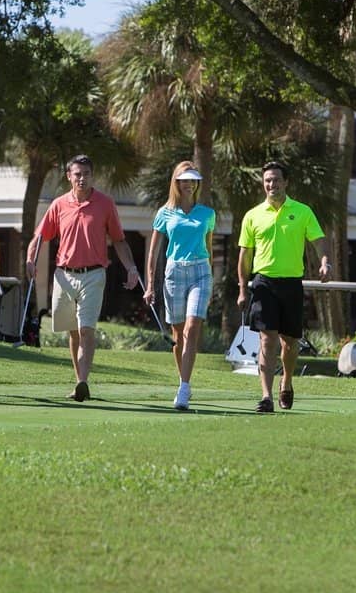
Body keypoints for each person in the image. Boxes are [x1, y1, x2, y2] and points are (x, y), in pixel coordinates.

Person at [26, 155, 140, 401]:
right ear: (69, 176)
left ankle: (82, 381)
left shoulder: (105, 204)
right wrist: (30, 259)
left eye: (86, 174)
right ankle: (79, 383)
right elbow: (40, 236)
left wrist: (131, 267)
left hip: (94, 274)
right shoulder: (58, 204)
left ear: (92, 176)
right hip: (64, 276)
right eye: (77, 174)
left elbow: (119, 240)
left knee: (86, 330)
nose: (81, 178)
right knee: (72, 332)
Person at [237, 161, 331, 414]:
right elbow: (245, 256)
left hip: (291, 284)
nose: (272, 184)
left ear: (286, 182)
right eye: (267, 180)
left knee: (290, 343)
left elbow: (319, 241)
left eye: (276, 180)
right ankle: (266, 396)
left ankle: (286, 382)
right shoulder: (253, 215)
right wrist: (242, 290)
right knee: (267, 340)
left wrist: (325, 262)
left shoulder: (302, 212)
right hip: (264, 283)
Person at [142, 161, 216, 411]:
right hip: (174, 272)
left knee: (193, 328)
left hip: (201, 271)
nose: (189, 184)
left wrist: (211, 279)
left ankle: (183, 387)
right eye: (184, 180)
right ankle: (184, 379)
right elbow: (153, 253)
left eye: (193, 180)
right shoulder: (164, 213)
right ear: (176, 182)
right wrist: (150, 284)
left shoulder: (207, 213)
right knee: (178, 335)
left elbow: (209, 247)